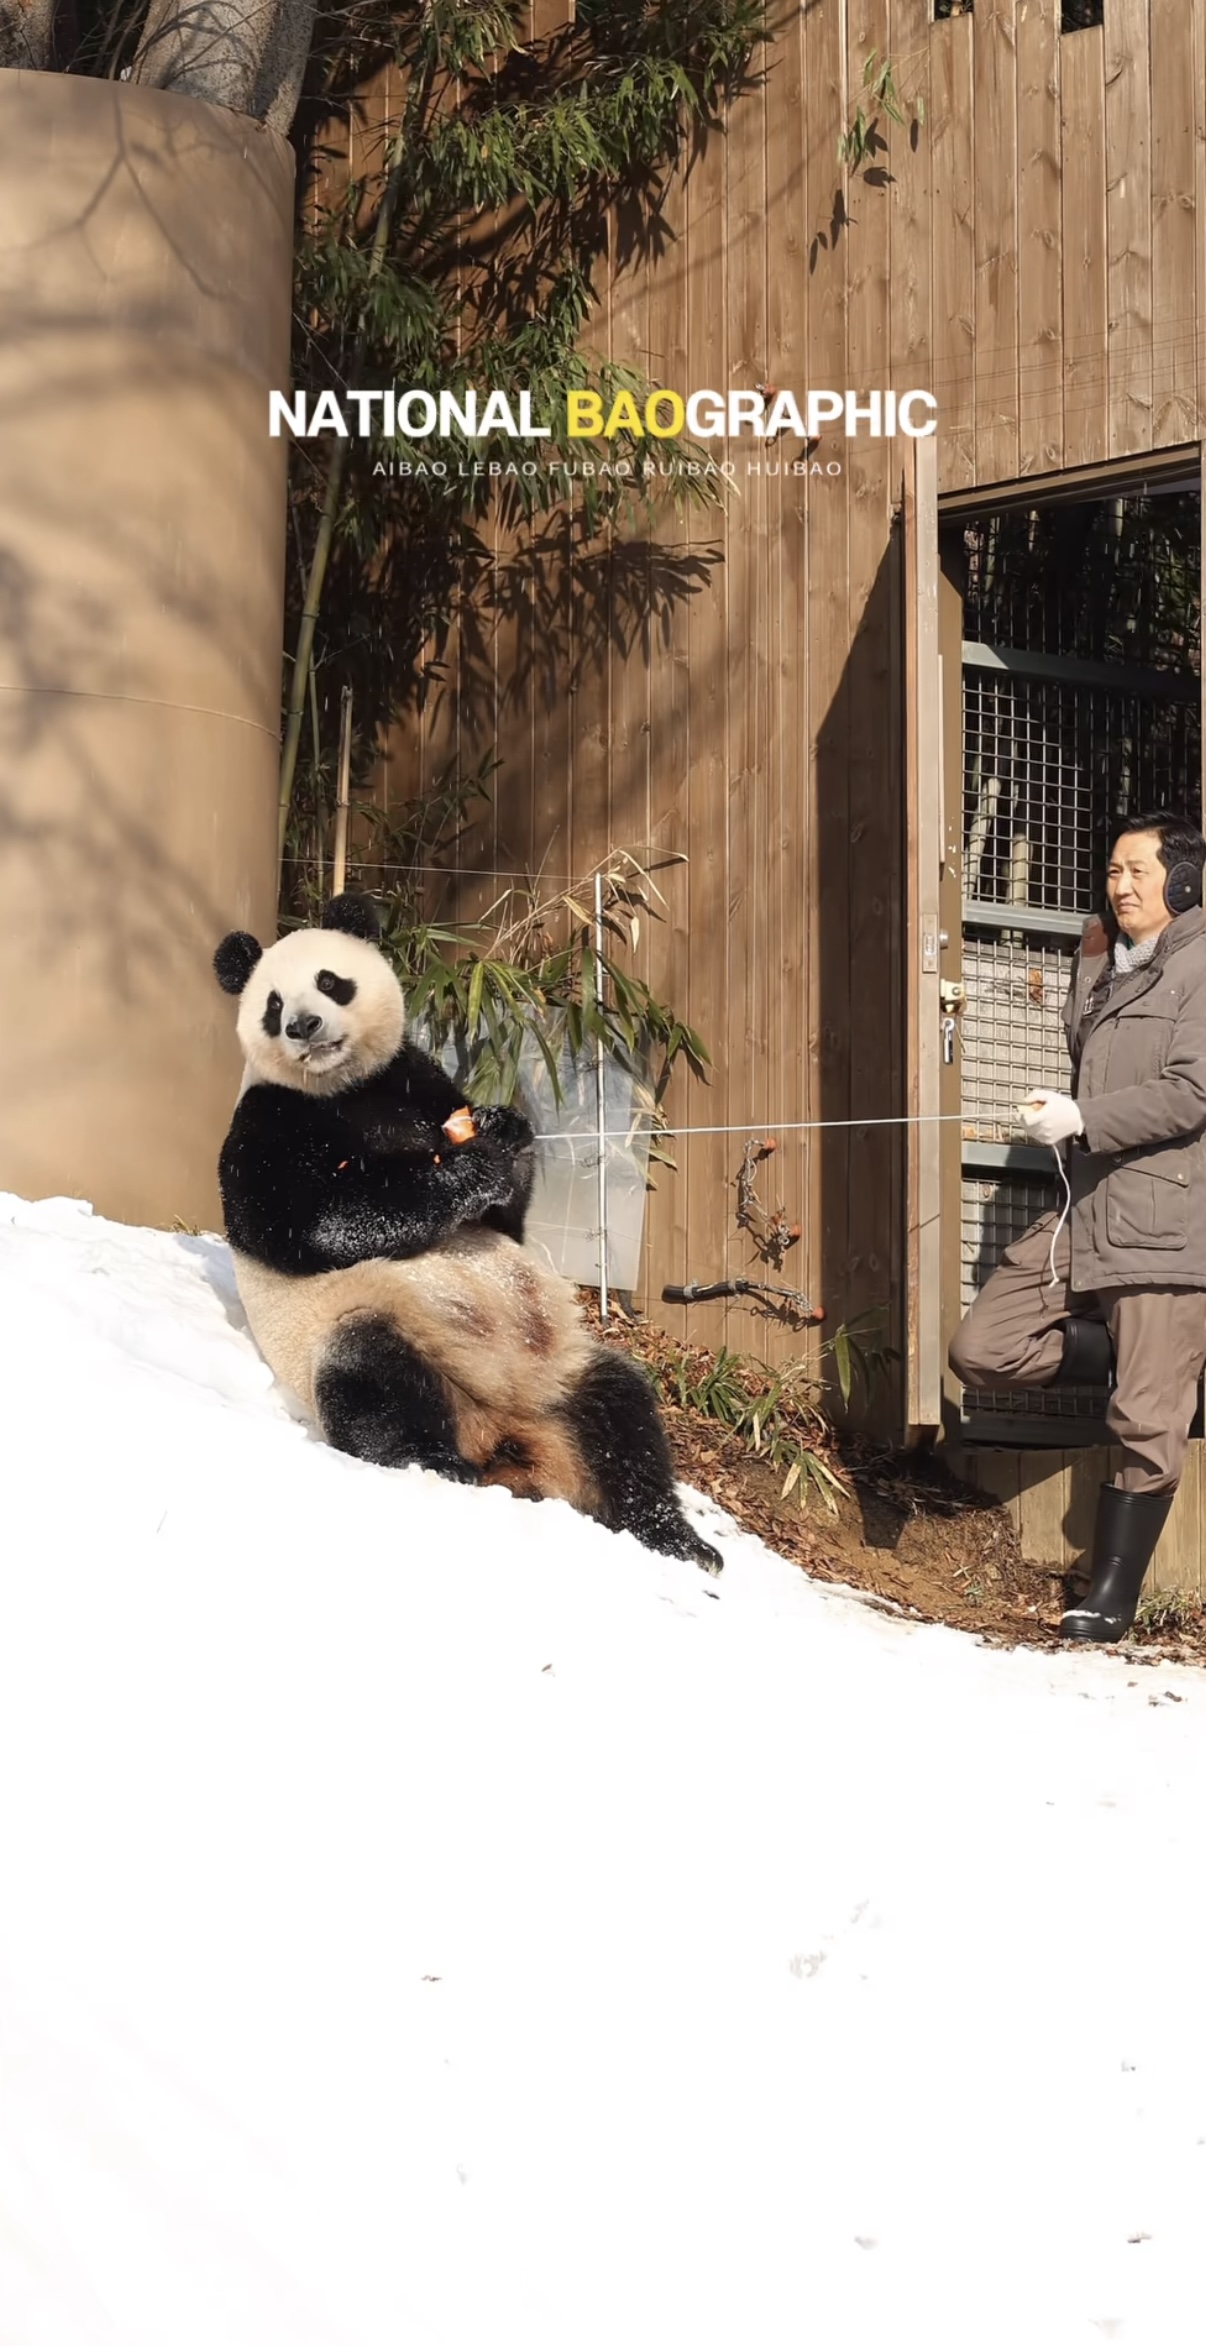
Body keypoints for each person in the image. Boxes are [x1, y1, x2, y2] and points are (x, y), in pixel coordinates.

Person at [949, 809, 1206, 1643]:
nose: (1119, 885)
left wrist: (1084, 1117)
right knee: (984, 1346)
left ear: (1184, 880)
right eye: (1112, 871)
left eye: (1137, 870)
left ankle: (1112, 1599)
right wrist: (1060, 1113)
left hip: (1167, 1220)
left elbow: (1192, 1090)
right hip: (1087, 1211)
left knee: (1146, 1420)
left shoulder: (1203, 965)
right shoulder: (1102, 961)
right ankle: (1146, 1360)